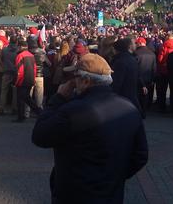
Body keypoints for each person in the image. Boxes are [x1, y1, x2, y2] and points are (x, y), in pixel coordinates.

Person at [32, 54, 148, 203]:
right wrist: (114, 177)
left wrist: (58, 98)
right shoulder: (129, 107)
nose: (72, 81)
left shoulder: (74, 110)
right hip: (111, 193)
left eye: (75, 77)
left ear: (85, 81)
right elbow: (140, 155)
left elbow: (40, 135)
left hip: (75, 193)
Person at [110, 38, 142, 113]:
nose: (135, 45)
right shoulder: (130, 59)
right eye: (134, 43)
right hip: (129, 97)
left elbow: (116, 83)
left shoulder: (120, 61)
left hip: (123, 99)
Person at [14, 39, 41, 123]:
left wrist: (16, 82)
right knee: (27, 99)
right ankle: (39, 112)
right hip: (30, 80)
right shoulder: (31, 55)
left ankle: (21, 117)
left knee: (21, 100)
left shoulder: (20, 56)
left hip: (22, 81)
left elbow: (19, 71)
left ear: (21, 46)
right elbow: (34, 68)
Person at [134, 37, 157, 118]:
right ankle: (145, 110)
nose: (135, 44)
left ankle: (140, 112)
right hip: (148, 78)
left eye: (136, 43)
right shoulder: (152, 53)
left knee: (138, 96)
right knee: (146, 96)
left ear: (140, 43)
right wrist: (153, 79)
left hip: (138, 78)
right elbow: (154, 68)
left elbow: (134, 67)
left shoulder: (135, 53)